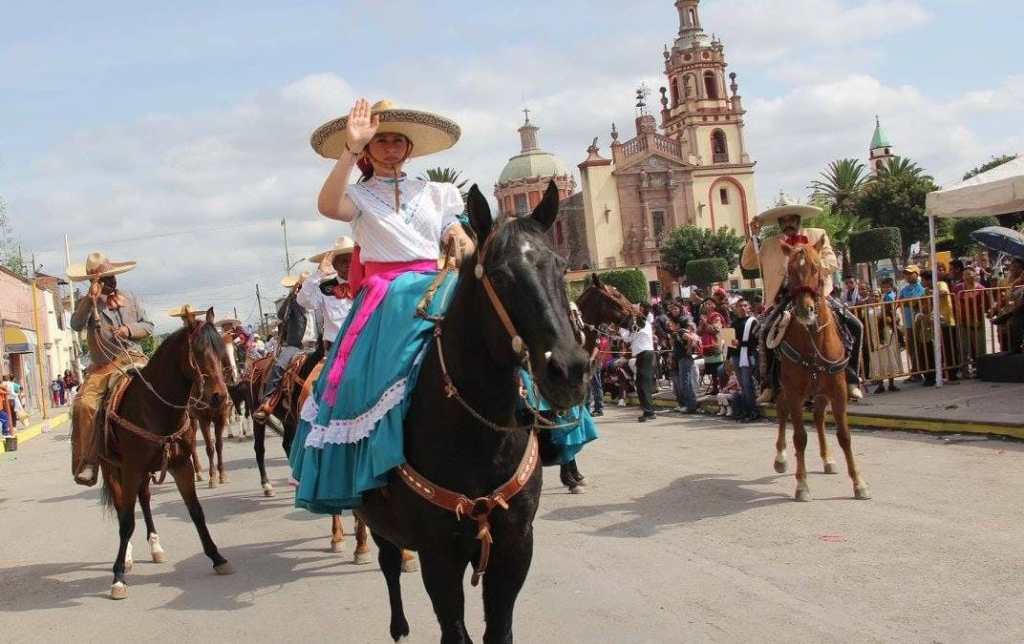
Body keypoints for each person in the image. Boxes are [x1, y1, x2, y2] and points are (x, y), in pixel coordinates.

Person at [288, 97, 474, 514]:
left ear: (408, 148)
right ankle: (372, 466)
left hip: (438, 284)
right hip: (386, 298)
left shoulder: (437, 192)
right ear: (370, 150)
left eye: (397, 140)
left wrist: (463, 245)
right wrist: (350, 147)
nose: (390, 147)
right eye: (381, 140)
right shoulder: (356, 196)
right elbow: (326, 205)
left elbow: (456, 235)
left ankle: (538, 414)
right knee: (355, 385)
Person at [740, 202, 864, 402]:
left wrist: (810, 268)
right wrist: (753, 236)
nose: (788, 223)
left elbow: (832, 263)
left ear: (799, 219)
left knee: (856, 325)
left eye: (792, 219)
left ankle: (851, 378)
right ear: (780, 223)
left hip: (816, 294)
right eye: (784, 220)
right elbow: (747, 263)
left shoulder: (817, 235)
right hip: (785, 297)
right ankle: (769, 385)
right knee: (763, 332)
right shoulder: (771, 243)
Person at [67, 251, 153, 486]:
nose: (111, 281)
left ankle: (173, 440)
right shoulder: (88, 304)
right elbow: (75, 324)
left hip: (133, 358)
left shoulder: (131, 298)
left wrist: (129, 330)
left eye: (112, 276)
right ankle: (90, 461)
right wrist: (89, 300)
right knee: (85, 405)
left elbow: (148, 326)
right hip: (102, 368)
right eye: (105, 278)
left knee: (159, 385)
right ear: (94, 281)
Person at [253, 273, 310, 422]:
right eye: (301, 287)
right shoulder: (292, 304)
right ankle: (268, 401)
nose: (303, 289)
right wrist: (291, 296)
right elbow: (280, 314)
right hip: (295, 346)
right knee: (279, 366)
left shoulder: (319, 299)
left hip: (319, 344)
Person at [297, 236, 356, 353]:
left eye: (352, 260)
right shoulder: (325, 288)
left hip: (362, 345)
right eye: (344, 261)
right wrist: (319, 273)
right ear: (334, 265)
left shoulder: (366, 286)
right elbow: (302, 301)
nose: (349, 264)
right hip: (335, 349)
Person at [953, 267, 992, 375]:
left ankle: (982, 370)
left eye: (970, 274)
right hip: (962, 322)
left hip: (977, 322)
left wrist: (989, 313)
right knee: (962, 347)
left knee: (980, 348)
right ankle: (965, 371)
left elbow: (988, 305)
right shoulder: (957, 288)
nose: (967, 277)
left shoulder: (981, 289)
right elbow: (954, 304)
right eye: (965, 275)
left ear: (975, 276)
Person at [620, 308, 657, 422]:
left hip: (645, 354)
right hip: (642, 355)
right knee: (640, 383)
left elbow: (627, 338)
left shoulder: (644, 323)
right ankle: (647, 410)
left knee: (643, 383)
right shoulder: (639, 325)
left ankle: (649, 411)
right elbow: (628, 338)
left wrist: (622, 327)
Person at [921, 271, 959, 382]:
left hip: (946, 321)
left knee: (949, 349)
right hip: (935, 323)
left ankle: (952, 373)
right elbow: (924, 304)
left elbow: (943, 292)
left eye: (923, 280)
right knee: (940, 350)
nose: (922, 282)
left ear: (928, 280)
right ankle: (943, 373)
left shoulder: (940, 284)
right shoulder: (925, 291)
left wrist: (931, 292)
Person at [728, 298, 760, 421]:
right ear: (735, 308)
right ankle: (745, 410)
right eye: (739, 306)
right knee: (742, 384)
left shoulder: (753, 322)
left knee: (747, 384)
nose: (742, 307)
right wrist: (728, 359)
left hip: (747, 355)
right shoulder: (734, 323)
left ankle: (753, 411)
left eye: (744, 305)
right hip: (736, 356)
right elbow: (730, 342)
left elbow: (756, 341)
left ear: (748, 307)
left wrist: (740, 343)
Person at [898, 265, 927, 380]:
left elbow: (919, 302)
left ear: (917, 274)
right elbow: (900, 302)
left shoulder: (922, 287)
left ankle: (922, 369)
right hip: (908, 322)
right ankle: (915, 370)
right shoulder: (904, 289)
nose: (907, 276)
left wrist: (910, 302)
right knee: (910, 347)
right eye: (906, 274)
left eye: (910, 273)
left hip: (920, 322)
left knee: (920, 347)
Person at [990, 257, 1024, 353]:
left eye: (1017, 267)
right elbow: (1001, 299)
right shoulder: (1004, 281)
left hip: (1016, 319)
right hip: (1005, 318)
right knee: (1004, 346)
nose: (1013, 269)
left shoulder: (1021, 283)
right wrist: (995, 309)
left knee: (1016, 346)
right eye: (1012, 266)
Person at [698, 299, 725, 395]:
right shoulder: (704, 317)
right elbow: (699, 332)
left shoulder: (716, 316)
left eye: (709, 303)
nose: (707, 305)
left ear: (714, 305)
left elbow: (715, 330)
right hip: (706, 346)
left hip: (715, 346)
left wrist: (705, 322)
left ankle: (721, 388)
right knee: (712, 370)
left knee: (718, 368)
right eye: (706, 304)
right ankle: (714, 388)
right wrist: (701, 324)